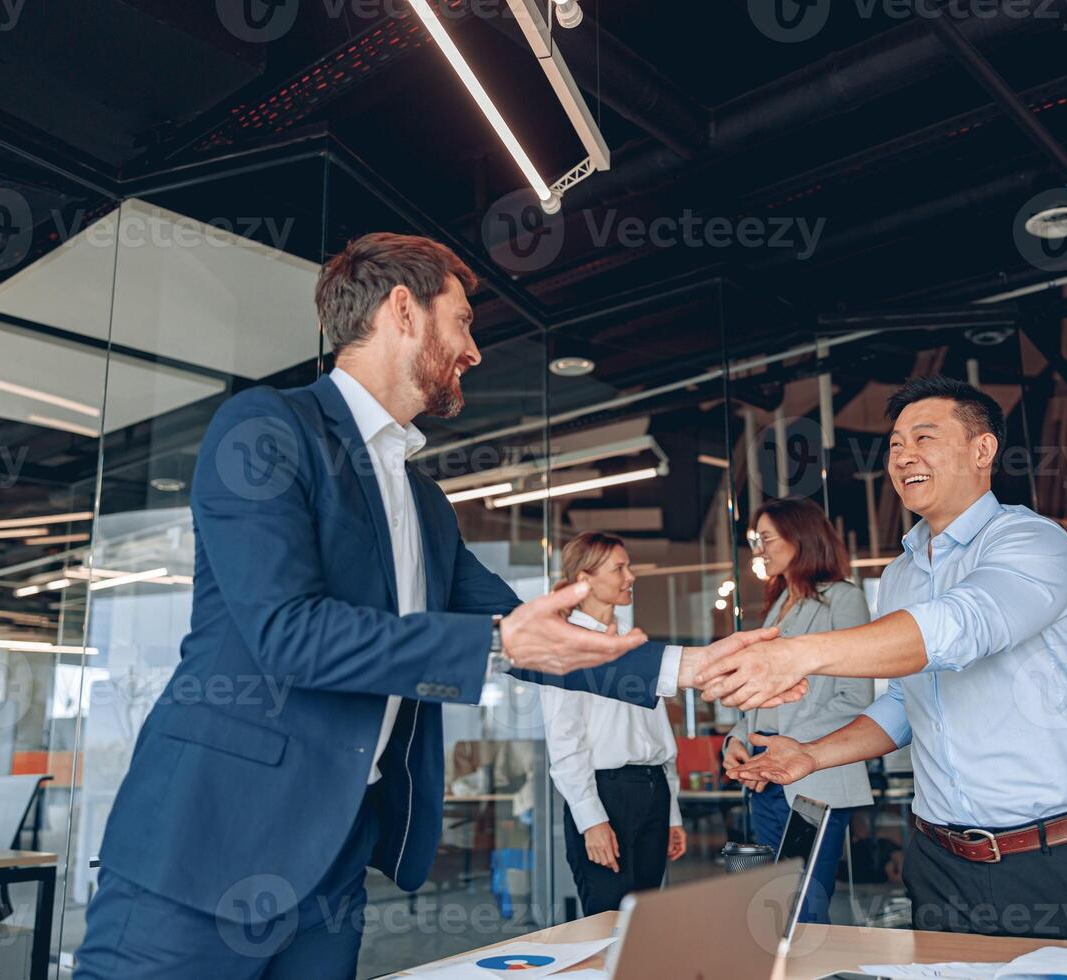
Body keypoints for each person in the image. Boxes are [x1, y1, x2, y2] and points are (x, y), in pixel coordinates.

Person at [76, 233, 801, 979]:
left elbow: (543, 636)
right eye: (462, 321)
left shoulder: (424, 502)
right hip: (203, 849)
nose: (475, 349)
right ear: (402, 312)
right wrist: (497, 638)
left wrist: (693, 665)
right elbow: (286, 633)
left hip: (333, 864)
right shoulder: (268, 429)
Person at [714, 377, 1067, 944]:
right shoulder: (900, 575)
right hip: (939, 864)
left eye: (924, 437)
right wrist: (813, 756)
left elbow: (965, 625)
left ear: (982, 450)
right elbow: (901, 701)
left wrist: (797, 655)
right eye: (894, 444)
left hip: (1056, 859)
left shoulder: (1033, 543)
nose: (903, 456)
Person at [722, 497, 873, 924]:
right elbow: (763, 700)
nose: (759, 550)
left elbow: (854, 700)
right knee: (771, 910)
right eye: (756, 540)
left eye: (766, 539)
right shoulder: (779, 604)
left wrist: (785, 747)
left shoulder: (842, 600)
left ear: (799, 538)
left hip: (814, 782)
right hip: (766, 782)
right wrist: (737, 739)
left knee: (805, 907)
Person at [541, 532, 687, 916]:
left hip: (653, 791)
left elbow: (660, 734)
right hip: (606, 795)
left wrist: (671, 813)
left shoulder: (634, 644)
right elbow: (564, 743)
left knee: (644, 925)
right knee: (606, 926)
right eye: (619, 568)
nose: (631, 576)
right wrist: (591, 821)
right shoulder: (567, 646)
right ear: (586, 579)